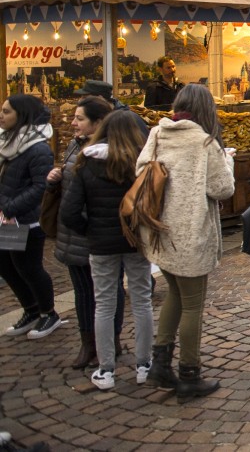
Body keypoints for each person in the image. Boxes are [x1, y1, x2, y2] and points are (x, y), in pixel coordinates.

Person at [137, 84, 235, 401]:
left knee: (174, 297)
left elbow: (140, 171)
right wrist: (228, 161)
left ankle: (160, 365)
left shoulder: (156, 134)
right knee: (192, 304)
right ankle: (189, 372)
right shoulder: (204, 142)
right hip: (191, 233)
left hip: (159, 230)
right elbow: (223, 189)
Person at [59, 110, 153, 390]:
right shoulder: (142, 163)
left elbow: (69, 211)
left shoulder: (86, 163)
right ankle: (144, 364)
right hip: (135, 240)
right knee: (141, 300)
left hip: (100, 244)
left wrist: (90, 230)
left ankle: (106, 369)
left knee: (104, 303)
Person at [49, 95, 118, 370]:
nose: (73, 122)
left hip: (92, 232)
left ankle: (107, 344)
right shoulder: (72, 146)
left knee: (106, 292)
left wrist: (86, 225)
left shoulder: (109, 152)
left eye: (80, 119)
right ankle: (89, 343)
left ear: (98, 123)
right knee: (83, 292)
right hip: (73, 233)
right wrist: (54, 179)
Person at [0, 95, 59, 340]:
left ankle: (49, 313)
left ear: (21, 115)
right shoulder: (6, 142)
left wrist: (12, 208)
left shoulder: (38, 148)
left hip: (27, 220)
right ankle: (31, 310)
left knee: (28, 266)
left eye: (6, 111)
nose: (1, 115)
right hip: (9, 219)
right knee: (7, 265)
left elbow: (40, 187)